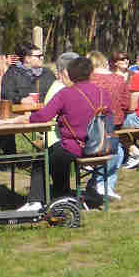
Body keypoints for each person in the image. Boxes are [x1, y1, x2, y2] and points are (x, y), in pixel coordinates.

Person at [27, 55, 122, 208]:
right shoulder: (102, 92)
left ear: (69, 74)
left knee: (43, 158)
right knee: (58, 154)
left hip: (76, 148)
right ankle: (63, 195)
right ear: (91, 73)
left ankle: (36, 201)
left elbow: (43, 116)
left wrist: (27, 118)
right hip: (103, 147)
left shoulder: (66, 93)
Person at [0, 41, 56, 198]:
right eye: (39, 56)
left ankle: (48, 155)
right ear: (27, 58)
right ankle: (9, 160)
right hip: (17, 114)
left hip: (44, 113)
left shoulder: (47, 74)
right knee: (6, 126)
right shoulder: (12, 74)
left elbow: (56, 93)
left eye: (42, 55)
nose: (42, 58)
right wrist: (20, 99)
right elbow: (6, 94)